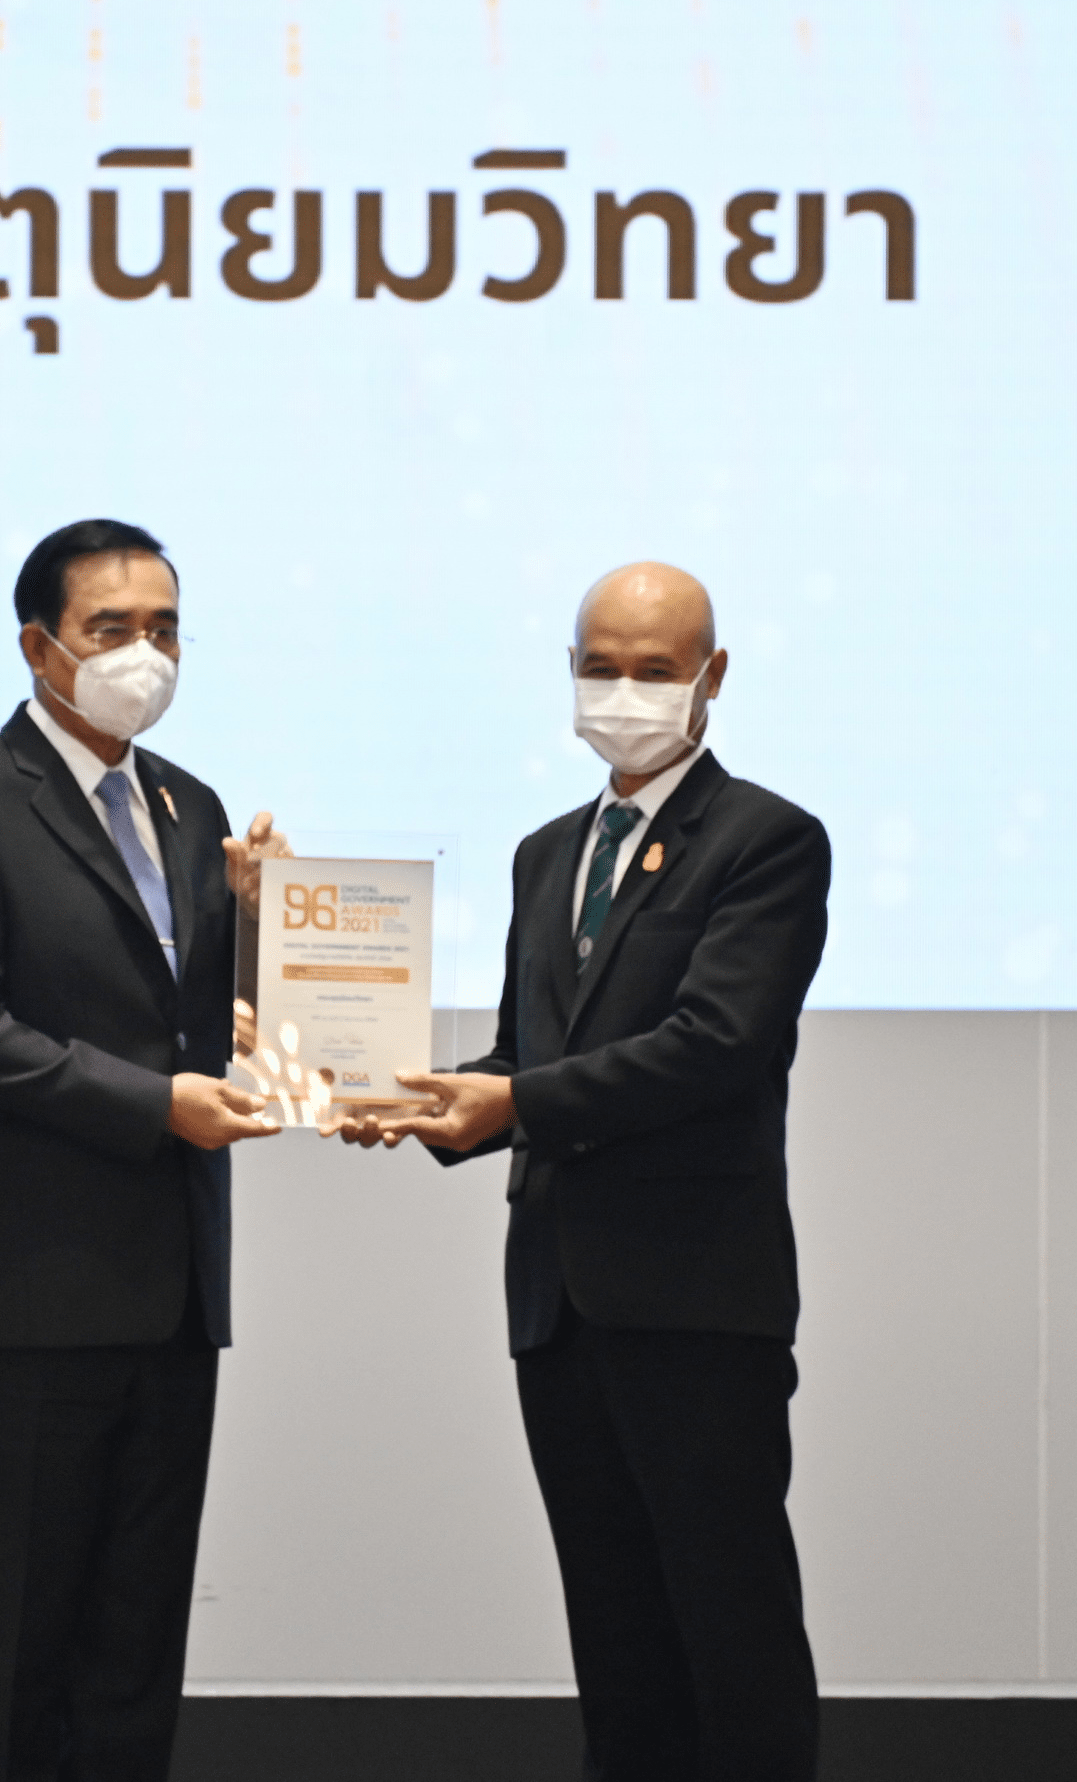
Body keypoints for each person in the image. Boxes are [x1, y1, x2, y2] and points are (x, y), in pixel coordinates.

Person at [353, 561, 833, 1782]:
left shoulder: (766, 840)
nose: (623, 691)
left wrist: (514, 1101)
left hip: (694, 1302)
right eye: (600, 666)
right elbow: (529, 1054)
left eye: (654, 669)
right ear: (569, 670)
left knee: (730, 1631)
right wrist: (411, 1097)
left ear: (712, 676)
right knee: (616, 1641)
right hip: (558, 1303)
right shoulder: (546, 851)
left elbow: (715, 1045)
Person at [0, 518, 288, 1782]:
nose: (143, 654)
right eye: (111, 628)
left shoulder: (188, 803)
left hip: (173, 1289)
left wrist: (265, 927)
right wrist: (152, 1104)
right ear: (39, 645)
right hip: (33, 1289)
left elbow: (200, 1021)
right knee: (22, 1644)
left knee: (135, 1647)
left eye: (164, 628)